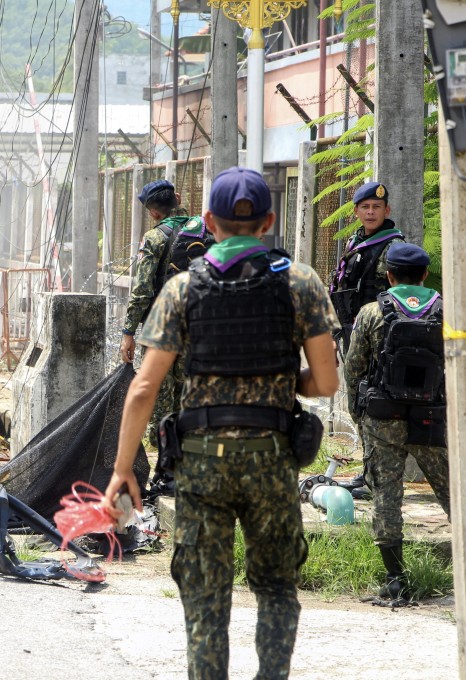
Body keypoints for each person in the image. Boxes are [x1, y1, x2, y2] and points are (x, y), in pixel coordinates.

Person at [104, 167, 340, 679]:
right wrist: (279, 381)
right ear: (269, 221)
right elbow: (325, 383)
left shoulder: (183, 289)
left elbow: (144, 388)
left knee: (206, 594)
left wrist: (123, 471)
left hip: (202, 463)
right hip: (272, 458)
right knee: (276, 585)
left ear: (208, 221)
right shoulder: (301, 282)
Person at [342, 241, 451, 602]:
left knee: (386, 495)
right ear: (424, 274)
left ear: (388, 275)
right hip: (431, 419)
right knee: (453, 491)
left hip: (382, 416)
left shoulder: (373, 311)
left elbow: (354, 367)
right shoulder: (445, 310)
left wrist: (358, 415)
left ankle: (395, 578)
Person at [120, 179, 212, 458]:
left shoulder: (155, 237)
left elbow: (142, 290)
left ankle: (163, 463)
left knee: (160, 396)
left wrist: (128, 331)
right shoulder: (206, 231)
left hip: (160, 330)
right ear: (179, 197)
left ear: (154, 212)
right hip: (196, 327)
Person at [329, 182, 404, 493]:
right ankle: (369, 470)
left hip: (378, 337)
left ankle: (375, 476)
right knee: (358, 400)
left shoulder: (393, 246)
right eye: (365, 207)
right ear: (356, 211)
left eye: (376, 207)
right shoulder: (356, 241)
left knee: (372, 402)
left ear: (386, 211)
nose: (371, 212)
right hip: (353, 332)